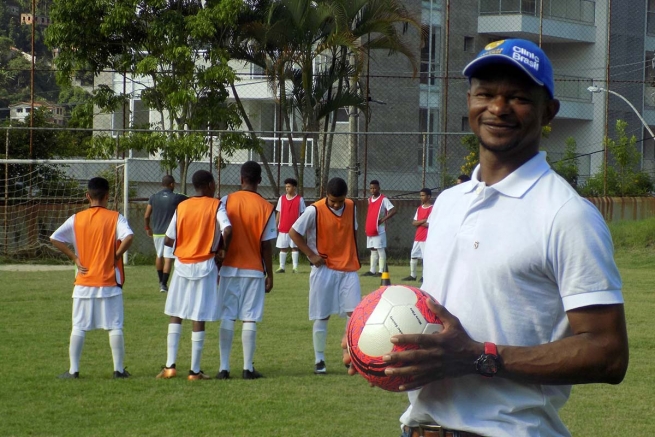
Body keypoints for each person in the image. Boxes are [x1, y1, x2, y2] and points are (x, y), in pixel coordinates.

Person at [345, 39, 629, 437]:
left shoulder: (567, 215)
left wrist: (478, 357)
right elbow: (436, 325)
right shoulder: (448, 203)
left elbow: (608, 353)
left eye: (517, 97)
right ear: (469, 102)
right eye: (486, 94)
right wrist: (376, 343)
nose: (498, 108)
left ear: (549, 111)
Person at [50, 177, 134, 379]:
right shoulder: (116, 218)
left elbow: (54, 238)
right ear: (107, 196)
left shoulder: (76, 218)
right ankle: (119, 370)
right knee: (115, 326)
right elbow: (129, 237)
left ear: (88, 196)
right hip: (109, 282)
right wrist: (115, 255)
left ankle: (73, 370)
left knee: (78, 326)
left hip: (84, 281)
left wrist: (74, 258)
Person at [156, 170, 232, 381]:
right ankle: (194, 371)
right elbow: (227, 228)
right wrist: (222, 249)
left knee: (176, 313)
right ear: (209, 185)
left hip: (182, 264)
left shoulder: (182, 206)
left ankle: (170, 366)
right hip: (205, 264)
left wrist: (187, 243)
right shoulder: (216, 205)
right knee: (198, 315)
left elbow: (169, 240)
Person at [290, 177, 361, 375]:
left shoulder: (352, 206)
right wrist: (311, 255)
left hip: (348, 269)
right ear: (325, 195)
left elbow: (351, 233)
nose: (337, 205)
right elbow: (293, 232)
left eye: (340, 201)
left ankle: (350, 355)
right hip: (324, 270)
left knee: (354, 314)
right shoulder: (314, 210)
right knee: (322, 315)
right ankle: (319, 359)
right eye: (333, 201)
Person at [216, 161, 276, 380]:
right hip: (254, 269)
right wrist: (269, 274)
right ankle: (247, 368)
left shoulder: (225, 201)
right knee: (249, 318)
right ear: (260, 180)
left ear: (241, 178)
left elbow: (219, 234)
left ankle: (224, 368)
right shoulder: (267, 207)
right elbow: (266, 244)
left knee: (228, 316)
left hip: (228, 268)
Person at [144, 175, 187, 292]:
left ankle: (160, 281)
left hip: (157, 232)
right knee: (168, 258)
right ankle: (164, 284)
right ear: (172, 184)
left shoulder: (153, 197)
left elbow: (147, 215)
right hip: (170, 233)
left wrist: (148, 227)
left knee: (159, 255)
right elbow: (191, 200)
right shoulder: (177, 197)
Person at [361, 180, 396, 277]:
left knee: (380, 248)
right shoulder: (369, 199)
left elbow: (393, 210)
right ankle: (372, 270)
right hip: (371, 228)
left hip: (380, 229)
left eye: (375, 188)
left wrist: (382, 220)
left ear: (379, 188)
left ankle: (381, 271)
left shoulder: (384, 199)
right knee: (373, 249)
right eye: (371, 188)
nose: (373, 190)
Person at [275, 178, 306, 273]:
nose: (287, 188)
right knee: (283, 248)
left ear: (294, 188)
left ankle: (295, 267)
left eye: (289, 186)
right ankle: (282, 267)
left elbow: (303, 214)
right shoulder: (282, 198)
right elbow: (279, 212)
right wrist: (275, 225)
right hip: (283, 228)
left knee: (294, 247)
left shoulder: (299, 199)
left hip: (294, 229)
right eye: (286, 187)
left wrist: (302, 227)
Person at [401, 188, 432, 282]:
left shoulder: (432, 208)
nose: (421, 197)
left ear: (429, 196)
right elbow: (414, 223)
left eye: (423, 195)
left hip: (426, 237)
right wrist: (423, 220)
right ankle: (413, 275)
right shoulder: (419, 208)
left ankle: (424, 276)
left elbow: (430, 224)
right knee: (413, 255)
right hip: (418, 236)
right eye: (420, 195)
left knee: (425, 258)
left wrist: (419, 222)